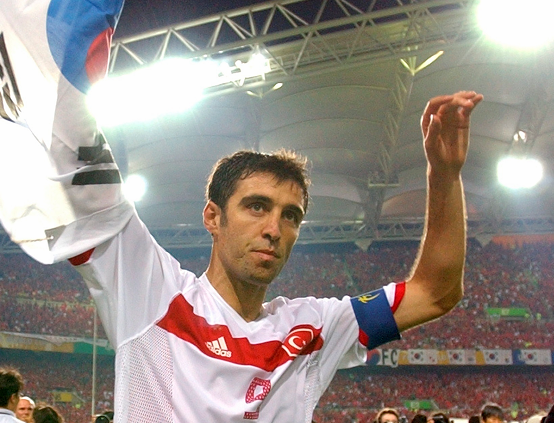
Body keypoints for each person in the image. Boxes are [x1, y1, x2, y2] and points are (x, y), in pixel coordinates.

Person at [60, 90, 483, 421]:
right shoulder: (154, 294)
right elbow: (78, 169)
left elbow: (435, 292)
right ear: (213, 217)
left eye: (291, 216)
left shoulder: (312, 327)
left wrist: (443, 174)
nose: (273, 229)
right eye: (256, 206)